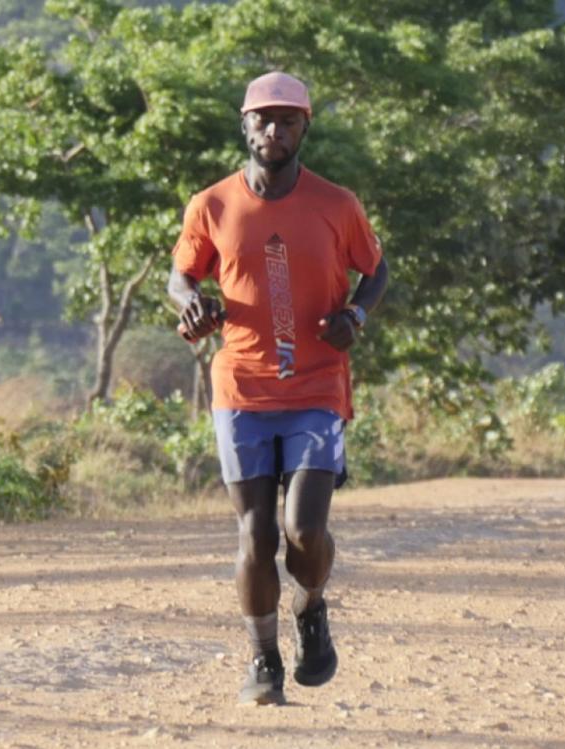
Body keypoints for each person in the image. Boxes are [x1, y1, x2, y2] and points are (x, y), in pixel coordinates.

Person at [167, 71, 389, 706]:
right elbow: (180, 278)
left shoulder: (337, 204)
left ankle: (311, 607)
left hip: (318, 385)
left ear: (304, 129)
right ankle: (263, 660)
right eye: (263, 120)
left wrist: (355, 317)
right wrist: (193, 306)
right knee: (255, 536)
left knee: (303, 533)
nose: (274, 130)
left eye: (287, 121)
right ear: (245, 126)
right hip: (241, 390)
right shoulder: (210, 204)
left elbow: (375, 271)